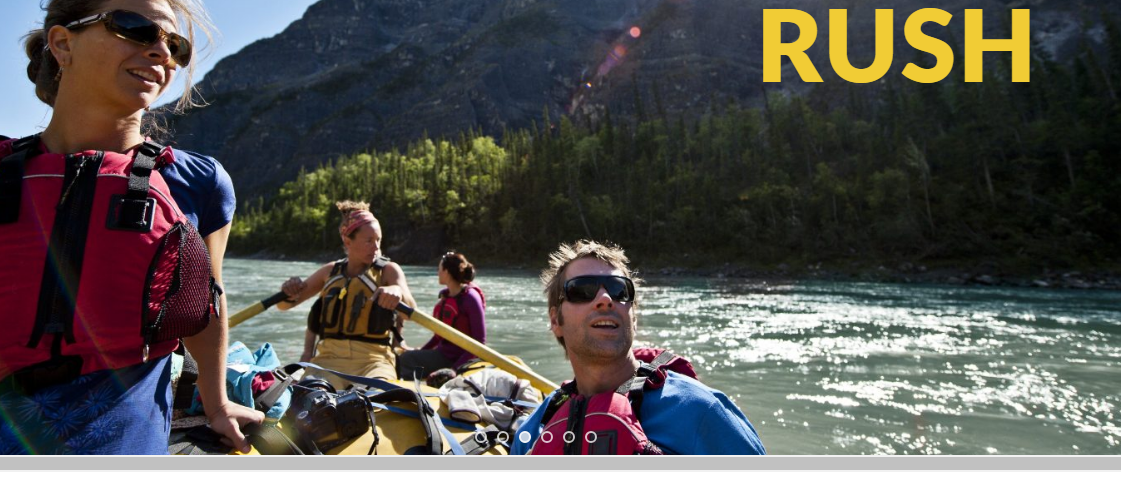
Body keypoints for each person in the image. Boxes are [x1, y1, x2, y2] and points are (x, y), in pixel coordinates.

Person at [0, 0, 263, 454]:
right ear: (62, 44)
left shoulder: (200, 182)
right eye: (134, 27)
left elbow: (204, 302)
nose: (162, 53)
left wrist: (216, 404)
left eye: (175, 44)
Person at [509, 240, 766, 455]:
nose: (605, 299)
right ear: (556, 320)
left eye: (620, 290)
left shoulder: (701, 412)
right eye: (582, 290)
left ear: (634, 315)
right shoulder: (533, 433)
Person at [278, 201, 416, 388]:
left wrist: (397, 291)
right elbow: (284, 305)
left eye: (378, 240)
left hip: (374, 361)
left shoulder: (389, 271)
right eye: (369, 241)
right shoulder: (329, 272)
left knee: (379, 396)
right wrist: (288, 290)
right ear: (347, 241)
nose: (376, 247)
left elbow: (409, 312)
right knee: (313, 398)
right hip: (328, 361)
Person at [397, 251, 487, 379]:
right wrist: (421, 351)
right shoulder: (447, 297)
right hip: (445, 355)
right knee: (406, 357)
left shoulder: (471, 298)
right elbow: (439, 337)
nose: (437, 273)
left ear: (447, 272)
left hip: (461, 359)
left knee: (406, 359)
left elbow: (480, 341)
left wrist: (454, 369)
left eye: (439, 269)